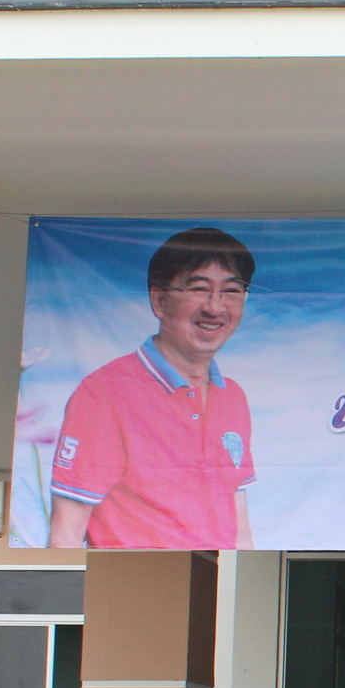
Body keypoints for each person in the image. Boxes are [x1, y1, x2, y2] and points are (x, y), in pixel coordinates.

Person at [46, 227, 257, 549]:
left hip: (217, 577)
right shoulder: (104, 393)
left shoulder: (233, 396)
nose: (215, 307)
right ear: (159, 300)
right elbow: (65, 533)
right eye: (198, 289)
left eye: (231, 291)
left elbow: (239, 524)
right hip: (137, 577)